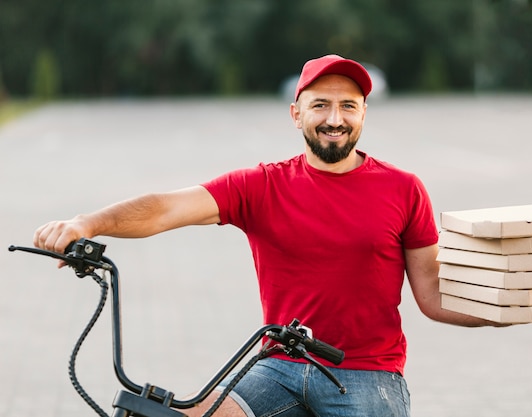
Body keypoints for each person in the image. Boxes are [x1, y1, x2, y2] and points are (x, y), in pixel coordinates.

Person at [34, 54, 506, 417]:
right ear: (296, 113)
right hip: (279, 365)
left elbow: (432, 293)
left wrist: (511, 307)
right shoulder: (261, 186)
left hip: (367, 372)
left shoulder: (404, 189)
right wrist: (87, 224)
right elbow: (166, 208)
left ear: (364, 113)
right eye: (320, 105)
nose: (334, 118)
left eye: (348, 106)